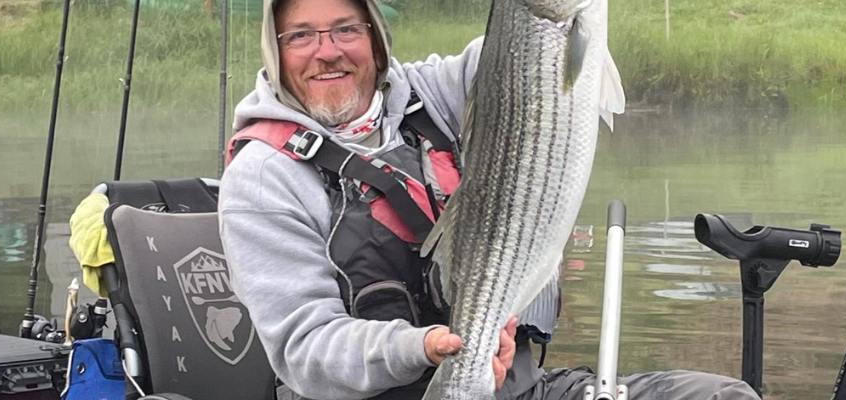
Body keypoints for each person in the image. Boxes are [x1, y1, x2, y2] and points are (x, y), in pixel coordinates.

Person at [212, 0, 763, 399]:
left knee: (721, 396)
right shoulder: (262, 176)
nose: (327, 51)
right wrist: (427, 347)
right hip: (401, 385)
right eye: (301, 36)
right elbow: (305, 352)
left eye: (345, 29)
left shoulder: (431, 93)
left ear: (376, 37)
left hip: (521, 386)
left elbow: (508, 58)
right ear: (276, 51)